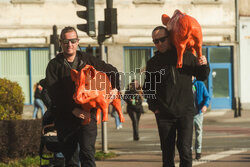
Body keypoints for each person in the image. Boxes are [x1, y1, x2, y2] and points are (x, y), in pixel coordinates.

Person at [45, 26, 120, 167]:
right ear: (60, 42)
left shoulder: (89, 60)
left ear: (78, 41)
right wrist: (73, 110)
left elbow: (113, 71)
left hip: (88, 116)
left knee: (87, 154)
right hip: (65, 118)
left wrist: (115, 88)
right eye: (66, 41)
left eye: (73, 41)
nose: (70, 45)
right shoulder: (53, 65)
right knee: (71, 159)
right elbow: (54, 94)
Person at [143, 26, 210, 167]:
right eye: (156, 41)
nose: (159, 43)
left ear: (170, 38)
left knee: (185, 150)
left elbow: (202, 75)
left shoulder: (186, 56)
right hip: (164, 115)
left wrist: (203, 65)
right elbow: (148, 89)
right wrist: (154, 107)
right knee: (167, 152)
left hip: (185, 112)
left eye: (162, 39)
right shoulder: (153, 63)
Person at [192, 76, 210, 160]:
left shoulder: (200, 84)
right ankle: (188, 151)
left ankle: (198, 151)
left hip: (198, 113)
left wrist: (205, 106)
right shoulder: (184, 84)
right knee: (187, 134)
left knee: (198, 132)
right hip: (187, 114)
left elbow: (207, 97)